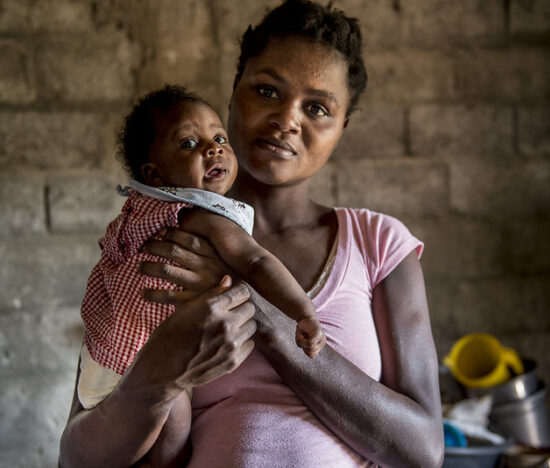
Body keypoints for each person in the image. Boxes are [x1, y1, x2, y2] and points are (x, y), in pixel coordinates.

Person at [59, 1, 444, 466]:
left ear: (343, 126)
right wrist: (156, 379)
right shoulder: (160, 239)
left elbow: (423, 451)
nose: (287, 120)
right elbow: (77, 457)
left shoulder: (378, 243)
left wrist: (256, 308)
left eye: (317, 107)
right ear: (234, 91)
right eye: (266, 90)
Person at [77, 84, 326, 465]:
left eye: (219, 137)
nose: (213, 148)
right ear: (154, 174)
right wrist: (303, 311)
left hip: (101, 356)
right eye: (189, 144)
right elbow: (257, 264)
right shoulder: (202, 214)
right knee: (173, 426)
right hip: (146, 360)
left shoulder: (139, 213)